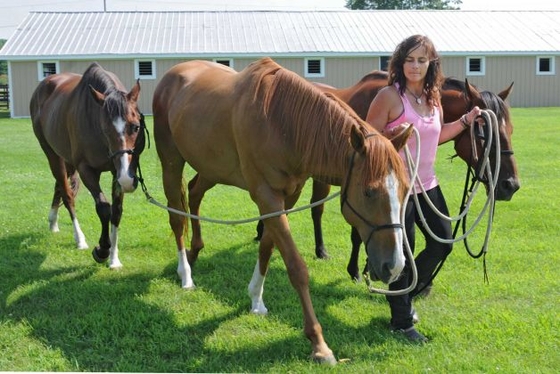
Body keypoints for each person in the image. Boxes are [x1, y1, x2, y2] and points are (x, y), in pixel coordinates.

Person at [365, 34, 481, 343]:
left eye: (421, 60)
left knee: (443, 244)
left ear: (431, 64)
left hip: (428, 185)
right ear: (400, 63)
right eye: (409, 59)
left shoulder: (433, 98)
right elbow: (368, 143)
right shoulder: (388, 97)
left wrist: (467, 121)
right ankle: (402, 322)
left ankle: (403, 297)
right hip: (398, 190)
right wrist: (392, 135)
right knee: (404, 255)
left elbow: (437, 135)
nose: (415, 66)